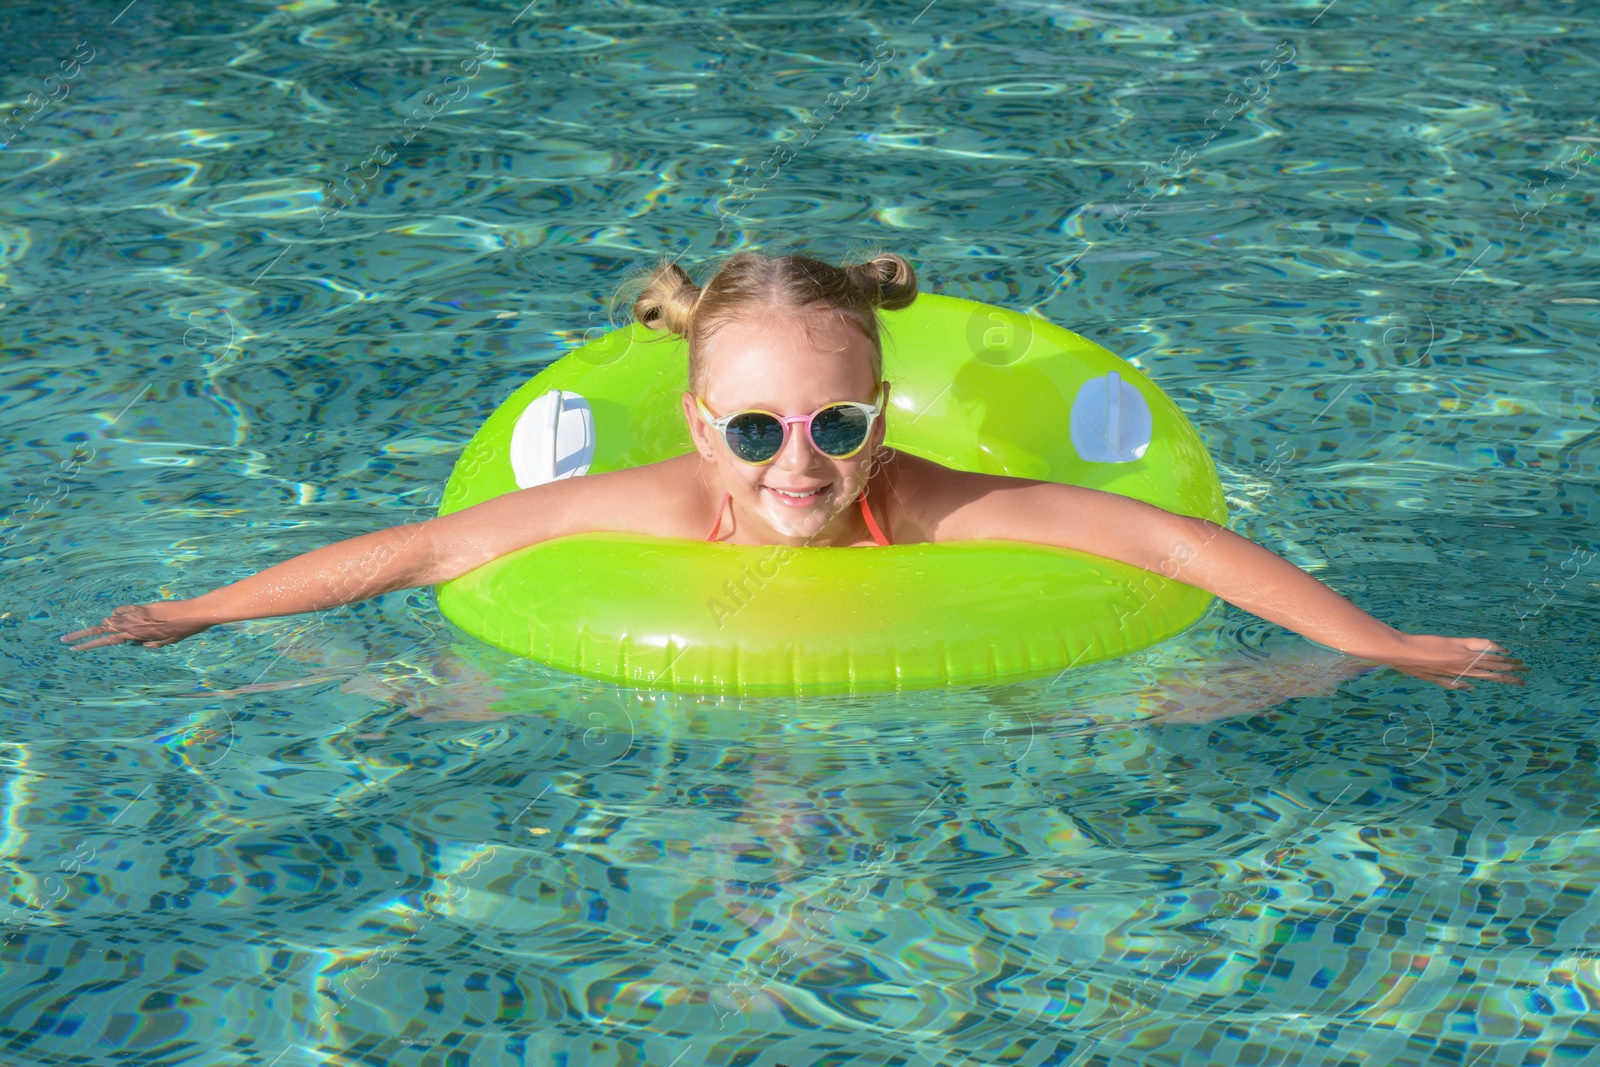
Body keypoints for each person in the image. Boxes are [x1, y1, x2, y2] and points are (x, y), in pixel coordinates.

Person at [62, 250, 1525, 690]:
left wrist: (1380, 643)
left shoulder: (927, 498)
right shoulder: (662, 500)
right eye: (759, 431)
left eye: (834, 425)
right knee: (409, 676)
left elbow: (1170, 551)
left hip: (958, 688)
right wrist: (202, 612)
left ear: (881, 418)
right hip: (712, 673)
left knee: (1212, 684)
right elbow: (423, 551)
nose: (800, 462)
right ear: (704, 431)